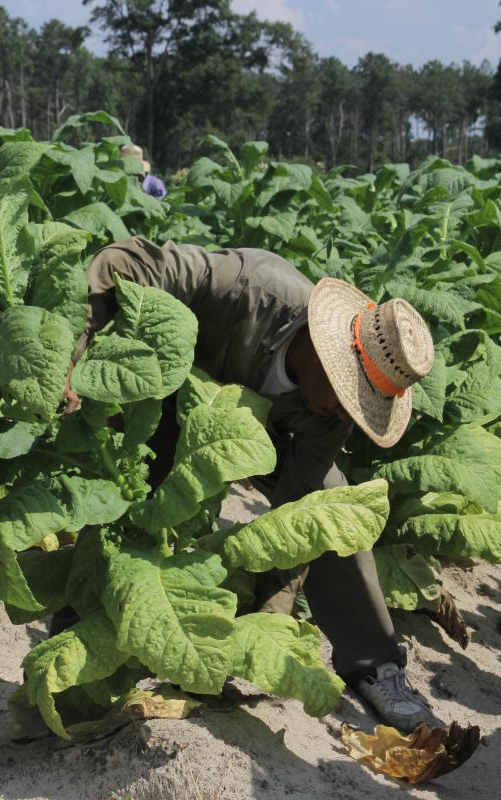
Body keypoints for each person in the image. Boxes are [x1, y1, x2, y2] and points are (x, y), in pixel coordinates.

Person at [65, 236, 440, 732]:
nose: (345, 414)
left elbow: (292, 514)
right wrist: (72, 363)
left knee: (327, 503)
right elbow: (121, 262)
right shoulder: (244, 287)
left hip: (253, 432)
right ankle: (85, 666)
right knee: (130, 517)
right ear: (327, 356)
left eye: (358, 407)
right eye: (346, 398)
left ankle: (376, 666)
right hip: (165, 403)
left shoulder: (329, 416)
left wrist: (267, 614)